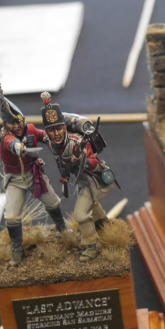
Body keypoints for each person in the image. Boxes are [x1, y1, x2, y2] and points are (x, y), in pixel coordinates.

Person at [0, 78, 67, 266]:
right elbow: (11, 143)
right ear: (5, 124)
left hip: (35, 174)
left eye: (19, 121)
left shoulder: (30, 129)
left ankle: (62, 228)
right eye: (12, 123)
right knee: (12, 216)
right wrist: (18, 147)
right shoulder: (4, 137)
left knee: (53, 201)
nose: (17, 125)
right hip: (16, 180)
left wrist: (52, 138)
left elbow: (42, 135)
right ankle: (17, 249)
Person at [41, 94, 115, 262]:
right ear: (47, 132)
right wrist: (64, 175)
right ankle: (103, 223)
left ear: (64, 127)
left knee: (81, 214)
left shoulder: (77, 142)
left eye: (59, 128)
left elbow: (94, 163)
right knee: (90, 203)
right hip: (81, 180)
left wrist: (81, 160)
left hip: (95, 180)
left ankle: (92, 245)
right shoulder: (50, 143)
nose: (56, 134)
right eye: (52, 130)